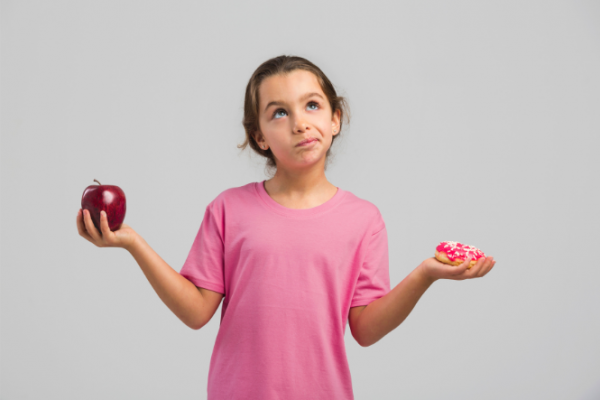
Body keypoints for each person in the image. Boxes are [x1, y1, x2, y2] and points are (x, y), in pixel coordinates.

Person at [76, 55, 496, 400]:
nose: (299, 122)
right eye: (280, 112)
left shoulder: (364, 220)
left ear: (335, 118)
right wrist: (132, 243)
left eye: (312, 105)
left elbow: (365, 329)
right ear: (259, 136)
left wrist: (425, 274)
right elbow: (196, 311)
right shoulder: (228, 209)